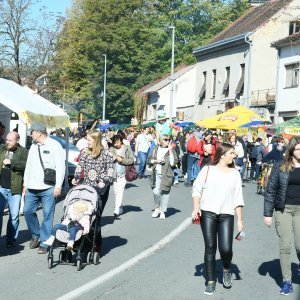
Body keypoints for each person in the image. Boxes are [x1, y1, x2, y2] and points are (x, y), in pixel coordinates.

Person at [192, 143, 244, 295]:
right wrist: (196, 207)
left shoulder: (235, 174)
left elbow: (238, 198)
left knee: (226, 248)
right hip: (207, 213)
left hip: (227, 214)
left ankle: (226, 268)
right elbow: (196, 189)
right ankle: (210, 281)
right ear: (222, 155)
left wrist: (240, 220)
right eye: (232, 153)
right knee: (210, 247)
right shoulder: (208, 170)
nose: (234, 156)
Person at [264, 137, 300, 296]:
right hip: (283, 209)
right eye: (298, 148)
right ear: (291, 149)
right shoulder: (280, 166)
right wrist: (268, 214)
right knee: (285, 245)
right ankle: (287, 282)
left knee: (299, 246)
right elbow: (271, 190)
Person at [23, 123, 65, 254]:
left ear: (39, 133)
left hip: (48, 187)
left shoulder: (54, 145)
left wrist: (58, 186)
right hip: (32, 187)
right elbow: (29, 165)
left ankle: (44, 242)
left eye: (32, 132)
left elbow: (60, 166)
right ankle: (36, 234)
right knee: (27, 211)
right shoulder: (33, 146)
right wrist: (25, 183)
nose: (31, 135)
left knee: (47, 215)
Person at [72, 129, 114, 252]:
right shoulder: (85, 152)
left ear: (96, 140)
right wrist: (76, 178)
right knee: (83, 213)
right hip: (87, 187)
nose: (87, 142)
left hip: (100, 189)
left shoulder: (106, 154)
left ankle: (96, 243)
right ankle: (81, 240)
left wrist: (104, 181)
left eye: (89, 140)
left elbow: (110, 171)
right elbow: (80, 166)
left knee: (95, 216)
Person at [0, 132, 28, 247]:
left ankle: (11, 239)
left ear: (17, 140)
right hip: (1, 188)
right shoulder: (2, 149)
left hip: (15, 188)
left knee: (14, 215)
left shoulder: (23, 151)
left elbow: (27, 165)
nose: (8, 142)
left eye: (10, 140)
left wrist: (12, 163)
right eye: (7, 140)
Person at [147, 134, 178, 219]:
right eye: (165, 139)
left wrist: (171, 151)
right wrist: (156, 161)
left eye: (168, 139)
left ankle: (163, 211)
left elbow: (173, 163)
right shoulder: (155, 149)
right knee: (156, 192)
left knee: (165, 192)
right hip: (156, 173)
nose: (167, 141)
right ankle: (157, 208)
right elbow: (149, 160)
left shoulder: (171, 150)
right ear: (160, 140)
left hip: (167, 174)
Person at [110, 134, 134, 218]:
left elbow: (131, 160)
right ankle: (120, 207)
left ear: (121, 141)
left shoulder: (127, 148)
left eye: (117, 142)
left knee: (120, 190)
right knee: (116, 191)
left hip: (123, 173)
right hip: (114, 174)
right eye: (114, 143)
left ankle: (116, 209)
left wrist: (122, 160)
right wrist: (114, 157)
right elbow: (108, 157)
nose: (115, 144)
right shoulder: (112, 149)